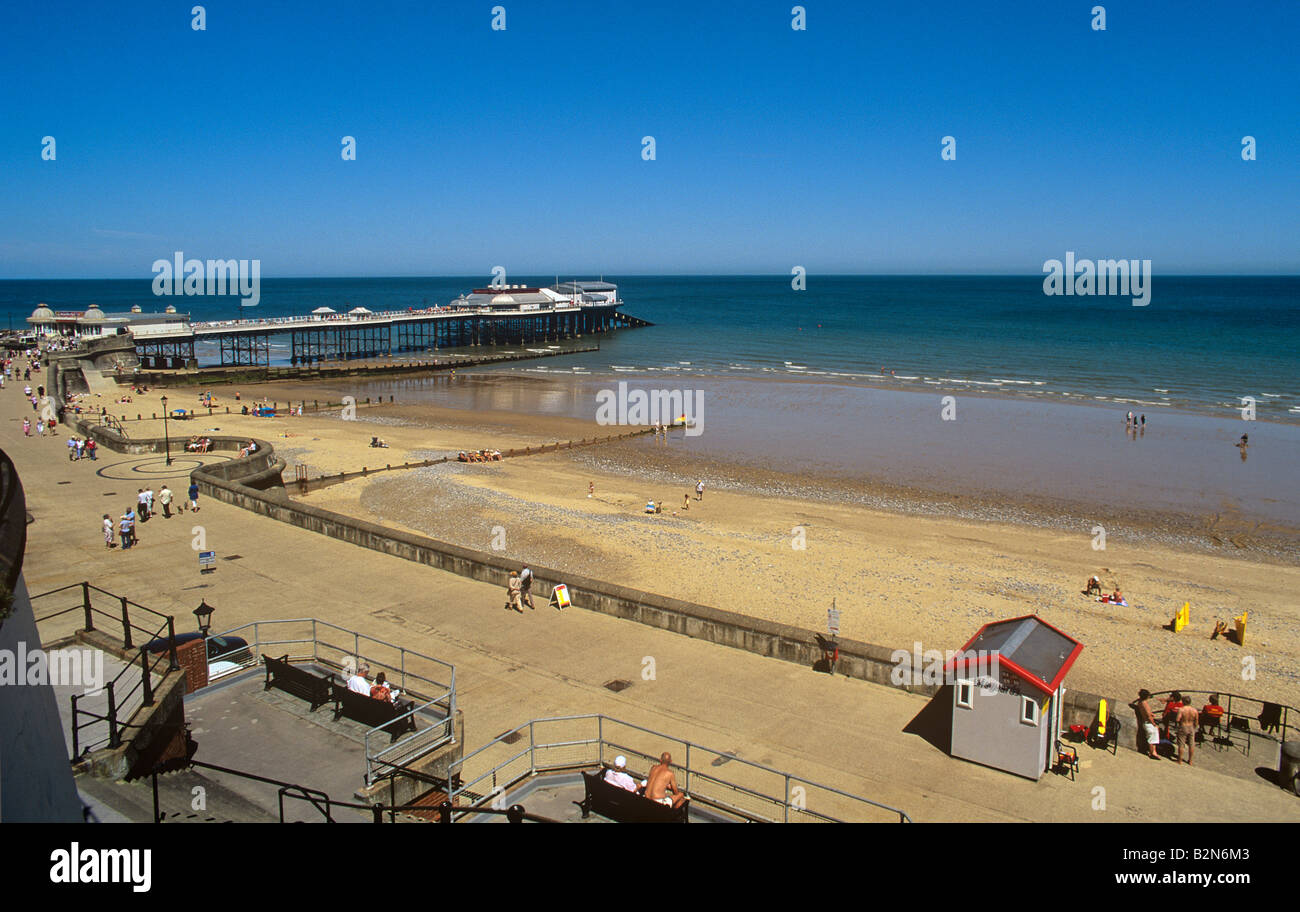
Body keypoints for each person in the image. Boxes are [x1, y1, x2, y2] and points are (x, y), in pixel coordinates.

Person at [1129, 689, 1160, 759]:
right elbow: (1148, 716)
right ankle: (1153, 753)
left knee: (1153, 737)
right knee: (1152, 738)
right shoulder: (1145, 704)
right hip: (1148, 723)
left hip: (1145, 722)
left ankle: (1153, 752)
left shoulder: (1140, 702)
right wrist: (1154, 723)